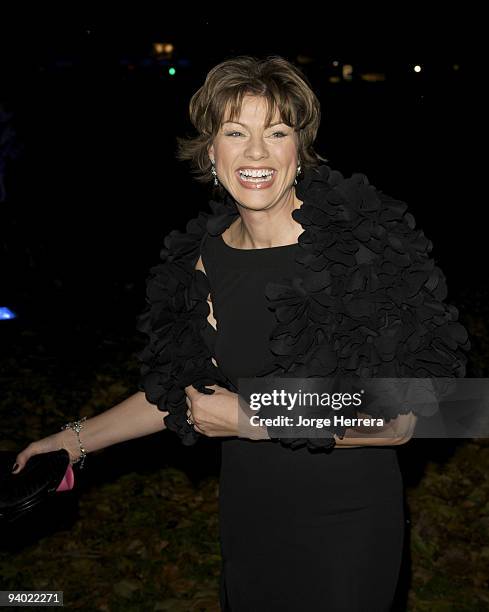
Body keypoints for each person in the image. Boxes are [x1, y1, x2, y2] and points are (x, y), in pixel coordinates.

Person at [12, 55, 470, 611]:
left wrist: (250, 416)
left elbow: (399, 419)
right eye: (236, 132)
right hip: (250, 519)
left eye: (277, 132)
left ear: (300, 150)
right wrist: (71, 441)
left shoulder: (362, 248)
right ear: (210, 151)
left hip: (345, 529)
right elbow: (183, 396)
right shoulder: (205, 260)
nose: (256, 153)